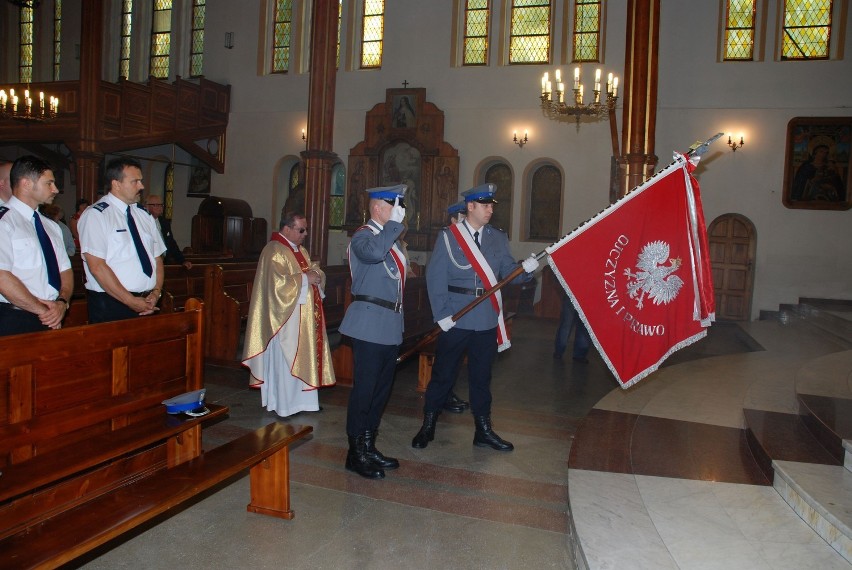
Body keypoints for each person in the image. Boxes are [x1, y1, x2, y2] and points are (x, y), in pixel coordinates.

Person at [412, 183, 539, 452]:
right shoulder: (449, 237)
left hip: (485, 318)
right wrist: (442, 315)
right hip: (456, 317)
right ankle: (428, 425)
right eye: (485, 205)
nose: (490, 209)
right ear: (470, 206)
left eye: (491, 205)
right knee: (444, 375)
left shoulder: (497, 237)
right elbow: (436, 277)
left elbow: (507, 270)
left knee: (481, 378)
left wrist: (525, 270)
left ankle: (483, 430)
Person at [338, 184, 408, 480]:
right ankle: (355, 454)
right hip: (368, 323)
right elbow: (375, 255)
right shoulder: (363, 237)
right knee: (364, 392)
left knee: (380, 392)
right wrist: (393, 226)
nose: (399, 212)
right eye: (393, 205)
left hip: (389, 324)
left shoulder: (390, 238)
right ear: (378, 207)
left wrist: (393, 229)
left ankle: (369, 446)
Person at [242, 210, 336, 416]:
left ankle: (306, 402)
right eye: (301, 230)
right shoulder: (273, 250)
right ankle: (285, 405)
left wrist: (317, 275)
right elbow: (276, 285)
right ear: (287, 228)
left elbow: (312, 269)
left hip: (303, 318)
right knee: (286, 361)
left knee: (305, 356)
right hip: (284, 321)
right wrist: (305, 279)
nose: (305, 234)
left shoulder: (299, 250)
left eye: (306, 230)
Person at [79, 157, 166, 323]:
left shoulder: (144, 215)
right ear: (116, 184)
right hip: (112, 303)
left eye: (141, 181)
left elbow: (157, 259)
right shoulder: (97, 215)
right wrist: (130, 301)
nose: (142, 186)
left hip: (147, 301)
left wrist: (156, 292)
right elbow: (97, 266)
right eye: (135, 181)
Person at [0, 155, 73, 336]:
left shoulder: (51, 226)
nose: (55, 189)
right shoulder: (4, 221)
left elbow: (65, 270)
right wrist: (42, 310)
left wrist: (62, 302)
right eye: (49, 183)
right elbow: (2, 276)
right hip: (14, 316)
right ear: (26, 184)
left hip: (52, 314)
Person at [144, 194, 191, 269]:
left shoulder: (164, 222)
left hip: (165, 262)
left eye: (161, 205)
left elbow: (171, 243)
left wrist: (182, 261)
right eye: (156, 205)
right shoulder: (143, 222)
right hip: (149, 263)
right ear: (146, 206)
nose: (160, 207)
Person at [553, 289, 591, 363]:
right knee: (578, 325)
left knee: (569, 324)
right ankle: (578, 354)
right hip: (581, 290)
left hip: (577, 290)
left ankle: (559, 351)